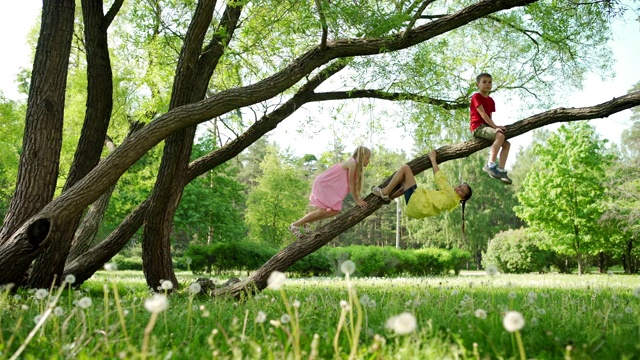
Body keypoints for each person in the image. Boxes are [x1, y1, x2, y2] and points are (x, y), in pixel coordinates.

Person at [371, 150, 472, 232]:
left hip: (417, 202)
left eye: (462, 191)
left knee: (405, 168)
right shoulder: (453, 203)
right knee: (404, 182)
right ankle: (390, 198)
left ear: (463, 198)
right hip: (417, 207)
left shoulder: (451, 195)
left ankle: (384, 192)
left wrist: (433, 159)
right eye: (459, 186)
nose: (458, 189)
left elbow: (440, 178)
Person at [288, 146, 371, 238]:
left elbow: (353, 185)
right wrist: (357, 200)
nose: (368, 161)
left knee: (335, 211)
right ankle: (295, 225)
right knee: (321, 211)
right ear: (361, 156)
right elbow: (351, 184)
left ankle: (308, 221)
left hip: (329, 188)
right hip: (324, 184)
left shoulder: (354, 166)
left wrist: (358, 198)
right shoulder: (352, 163)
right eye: (367, 158)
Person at [470, 72, 512, 184]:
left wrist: (493, 128)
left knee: (507, 144)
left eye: (490, 82)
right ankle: (490, 164)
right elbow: (483, 114)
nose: (487, 84)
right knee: (500, 135)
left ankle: (501, 170)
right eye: (484, 82)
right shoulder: (476, 97)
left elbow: (489, 117)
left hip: (487, 128)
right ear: (477, 84)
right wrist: (496, 127)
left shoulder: (491, 101)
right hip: (478, 127)